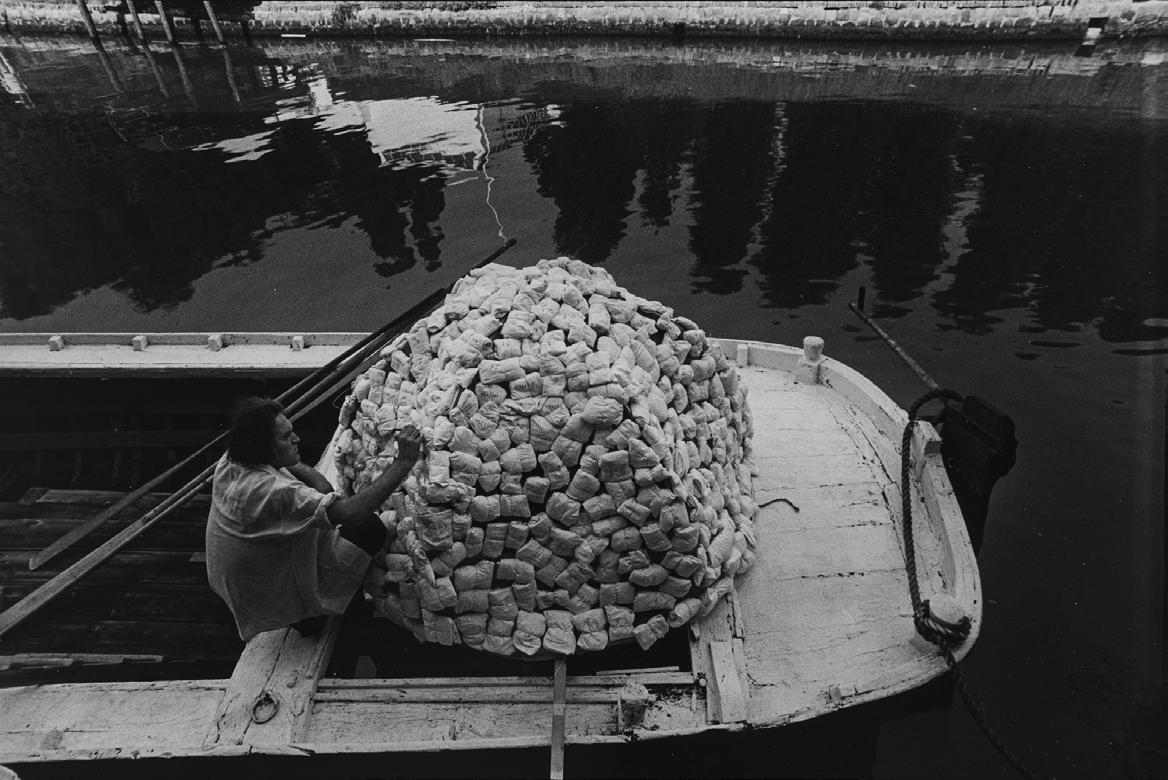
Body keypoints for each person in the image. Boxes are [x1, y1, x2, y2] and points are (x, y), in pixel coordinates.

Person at [205, 396, 421, 642]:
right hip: (266, 593)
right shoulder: (271, 492)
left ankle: (315, 608)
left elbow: (312, 481)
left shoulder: (232, 459)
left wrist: (309, 474)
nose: (297, 439)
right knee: (369, 528)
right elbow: (351, 514)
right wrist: (403, 462)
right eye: (286, 437)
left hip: (241, 581)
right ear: (264, 447)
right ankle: (315, 614)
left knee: (331, 521)